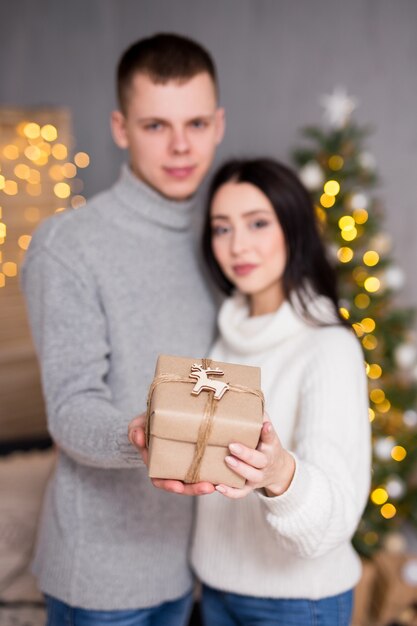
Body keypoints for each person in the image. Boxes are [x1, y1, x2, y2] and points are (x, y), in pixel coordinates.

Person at [21, 33, 224, 625]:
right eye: (156, 125)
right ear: (120, 128)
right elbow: (71, 407)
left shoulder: (220, 242)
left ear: (219, 124)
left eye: (196, 123)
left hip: (190, 566)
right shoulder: (68, 246)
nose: (181, 145)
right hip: (102, 578)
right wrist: (141, 433)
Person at [130, 158, 371, 626]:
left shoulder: (329, 348)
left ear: (293, 229)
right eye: (222, 229)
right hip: (215, 590)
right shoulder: (222, 339)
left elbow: (336, 519)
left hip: (300, 603)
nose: (238, 245)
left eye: (257, 223)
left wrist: (281, 473)